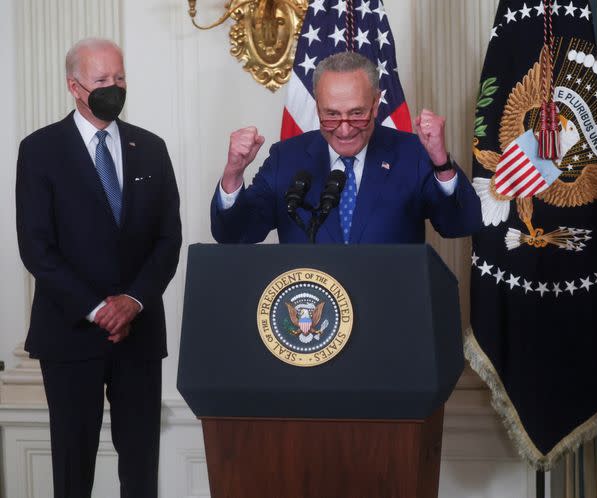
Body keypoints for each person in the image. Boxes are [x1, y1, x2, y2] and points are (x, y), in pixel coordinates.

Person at [15, 38, 181, 498]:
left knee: (142, 465)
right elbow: (36, 247)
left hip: (140, 333)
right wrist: (96, 309)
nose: (115, 87)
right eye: (102, 80)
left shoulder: (151, 148)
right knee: (72, 467)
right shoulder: (40, 150)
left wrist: (131, 302)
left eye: (120, 78)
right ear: (74, 86)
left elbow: (169, 240)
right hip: (69, 334)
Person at [210, 51, 481, 244]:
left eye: (357, 114)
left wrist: (440, 161)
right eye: (331, 115)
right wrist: (233, 173)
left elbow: (460, 224)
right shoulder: (286, 158)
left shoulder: (412, 154)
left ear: (375, 104)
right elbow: (235, 234)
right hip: (311, 317)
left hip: (391, 314)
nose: (344, 128)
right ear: (316, 107)